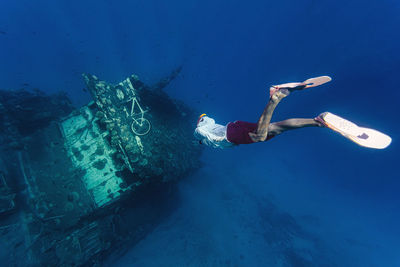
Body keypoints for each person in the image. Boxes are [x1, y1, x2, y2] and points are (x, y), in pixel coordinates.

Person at [194, 76, 392, 149]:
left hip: (231, 134)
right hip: (234, 126)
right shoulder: (206, 123)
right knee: (278, 128)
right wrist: (203, 122)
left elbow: (202, 130)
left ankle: (275, 98)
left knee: (260, 136)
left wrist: (201, 135)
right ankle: (318, 121)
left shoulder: (201, 133)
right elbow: (204, 119)